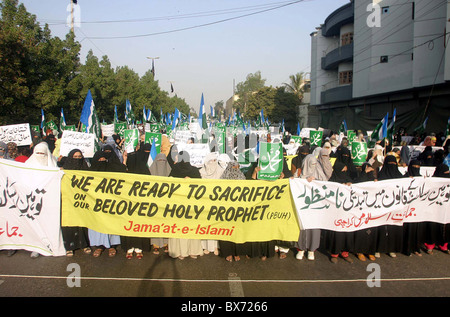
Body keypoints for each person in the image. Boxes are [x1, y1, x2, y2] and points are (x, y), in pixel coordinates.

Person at [24, 142, 59, 258]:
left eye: (43, 154)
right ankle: (37, 247)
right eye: (38, 153)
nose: (40, 156)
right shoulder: (27, 165)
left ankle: (52, 245)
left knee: (50, 223)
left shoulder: (53, 165)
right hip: (34, 200)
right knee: (36, 224)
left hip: (50, 200)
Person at [167, 151, 204, 260]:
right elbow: (201, 185)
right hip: (192, 205)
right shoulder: (194, 170)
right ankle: (193, 251)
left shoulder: (175, 169)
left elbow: (169, 182)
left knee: (178, 227)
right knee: (191, 227)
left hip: (177, 204)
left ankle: (179, 252)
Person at [87, 148, 123, 258]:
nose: (102, 161)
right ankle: (99, 246)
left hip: (109, 201)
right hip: (94, 202)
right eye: (100, 159)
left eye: (104, 159)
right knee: (97, 224)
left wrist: (125, 159)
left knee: (110, 223)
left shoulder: (111, 170)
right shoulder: (89, 172)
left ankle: (111, 245)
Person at [296, 152, 329, 261]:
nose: (312, 167)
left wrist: (316, 181)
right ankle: (300, 249)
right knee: (302, 227)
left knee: (314, 228)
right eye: (310, 164)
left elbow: (326, 185)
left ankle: (311, 250)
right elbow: (295, 182)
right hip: (303, 205)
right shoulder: (299, 171)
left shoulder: (319, 173)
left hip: (315, 205)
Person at [60, 149, 92, 257]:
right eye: (75, 157)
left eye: (79, 157)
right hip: (68, 200)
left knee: (82, 223)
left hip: (81, 200)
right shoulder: (64, 170)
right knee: (68, 223)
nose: (78, 159)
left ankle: (84, 244)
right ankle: (69, 247)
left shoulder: (86, 169)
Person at [122, 143, 151, 259]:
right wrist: (124, 160)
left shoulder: (144, 169)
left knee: (139, 223)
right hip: (128, 200)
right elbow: (121, 174)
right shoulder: (128, 167)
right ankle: (129, 248)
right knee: (129, 222)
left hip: (141, 200)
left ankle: (139, 248)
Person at [324, 161, 354, 263]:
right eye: (342, 171)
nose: (344, 173)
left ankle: (345, 253)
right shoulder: (332, 181)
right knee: (337, 234)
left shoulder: (349, 180)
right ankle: (334, 254)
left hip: (347, 212)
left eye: (345, 171)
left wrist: (349, 185)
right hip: (336, 213)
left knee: (347, 233)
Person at [375, 155, 404, 258]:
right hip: (383, 206)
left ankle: (391, 249)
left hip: (395, 206)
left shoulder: (400, 176)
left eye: (394, 164)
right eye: (390, 164)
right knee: (381, 228)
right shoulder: (381, 175)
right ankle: (378, 249)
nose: (392, 166)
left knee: (393, 229)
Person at [199, 153, 225, 255]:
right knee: (205, 225)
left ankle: (215, 246)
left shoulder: (221, 171)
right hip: (205, 203)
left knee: (216, 225)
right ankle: (205, 246)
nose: (213, 163)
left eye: (215, 161)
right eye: (211, 161)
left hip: (217, 202)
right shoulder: (201, 172)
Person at [422, 163, 450, 255]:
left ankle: (443, 245)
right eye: (445, 172)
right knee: (433, 227)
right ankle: (430, 245)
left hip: (446, 209)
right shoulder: (432, 182)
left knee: (446, 227)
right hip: (434, 209)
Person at [353, 162, 378, 261]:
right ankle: (359, 251)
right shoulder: (359, 178)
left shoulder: (374, 180)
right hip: (361, 208)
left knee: (372, 231)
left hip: (372, 209)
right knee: (362, 231)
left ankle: (370, 251)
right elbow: (357, 184)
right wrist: (364, 172)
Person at [149, 153, 172, 254]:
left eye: (163, 161)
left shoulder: (170, 172)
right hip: (154, 203)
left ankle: (167, 243)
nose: (161, 164)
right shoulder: (150, 173)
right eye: (159, 161)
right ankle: (155, 244)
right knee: (155, 223)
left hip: (167, 203)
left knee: (166, 222)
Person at [401, 160, 424, 257]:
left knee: (417, 229)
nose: (416, 168)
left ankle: (416, 248)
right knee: (408, 229)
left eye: (418, 166)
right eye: (414, 166)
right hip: (407, 208)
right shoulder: (404, 177)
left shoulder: (422, 179)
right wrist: (407, 180)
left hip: (418, 208)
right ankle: (407, 248)